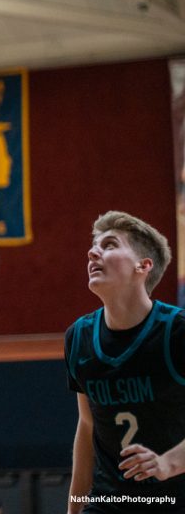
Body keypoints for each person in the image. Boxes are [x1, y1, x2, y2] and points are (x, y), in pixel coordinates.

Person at [65, 211, 185, 513]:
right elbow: (88, 425)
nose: (93, 252)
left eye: (109, 245)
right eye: (94, 245)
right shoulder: (78, 337)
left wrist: (166, 463)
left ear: (143, 266)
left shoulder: (177, 331)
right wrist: (74, 508)